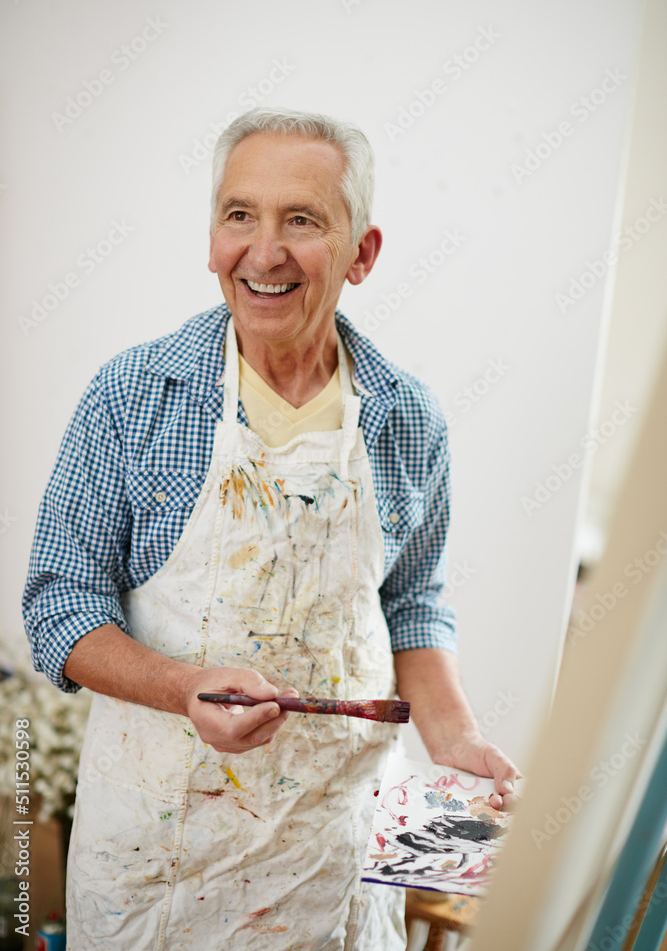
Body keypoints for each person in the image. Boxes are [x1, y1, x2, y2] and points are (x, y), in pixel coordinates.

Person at [23, 107, 518, 950]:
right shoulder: (133, 395)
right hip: (161, 858)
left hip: (333, 857)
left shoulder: (407, 418)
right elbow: (57, 608)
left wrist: (457, 738)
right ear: (212, 235)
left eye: (302, 221)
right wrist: (182, 688)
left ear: (361, 253)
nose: (263, 251)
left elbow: (412, 606)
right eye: (239, 215)